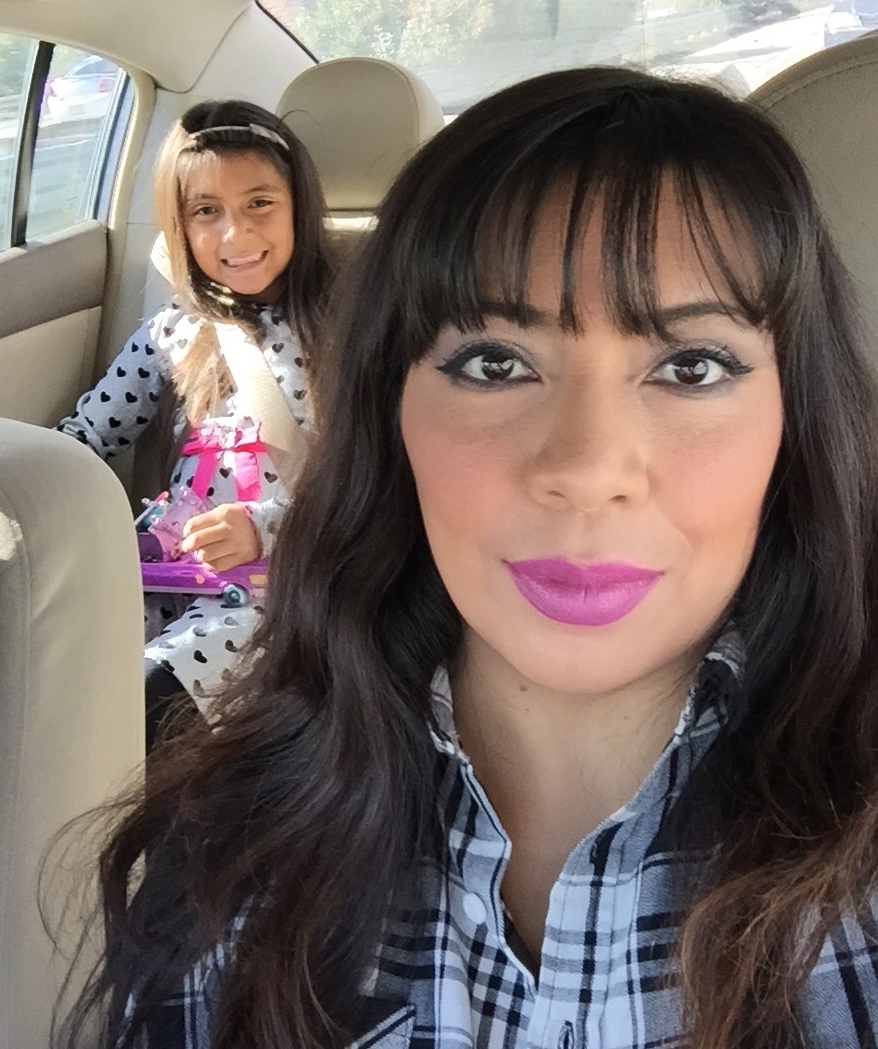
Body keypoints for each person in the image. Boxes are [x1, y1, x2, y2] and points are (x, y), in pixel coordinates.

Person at [60, 68, 878, 1049]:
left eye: (690, 366)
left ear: (796, 423)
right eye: (494, 362)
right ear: (389, 419)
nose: (586, 470)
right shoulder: (229, 867)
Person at [57, 100, 334, 746]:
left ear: (299, 205)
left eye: (260, 203)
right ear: (179, 225)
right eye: (206, 211)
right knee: (53, 680)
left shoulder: (350, 326)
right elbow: (85, 437)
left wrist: (264, 527)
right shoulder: (173, 331)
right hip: (158, 574)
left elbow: (374, 478)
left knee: (131, 708)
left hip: (280, 587)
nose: (235, 234)